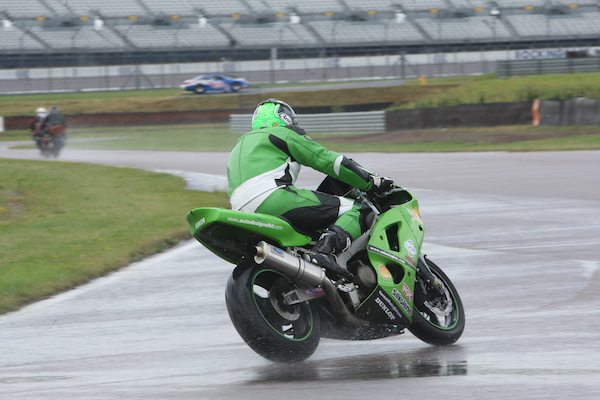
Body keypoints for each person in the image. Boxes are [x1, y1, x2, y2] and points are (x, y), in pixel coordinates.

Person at [227, 99, 393, 278]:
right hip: (272, 198)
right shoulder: (282, 133)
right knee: (359, 211)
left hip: (240, 210)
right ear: (284, 118)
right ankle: (325, 253)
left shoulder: (238, 145)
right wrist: (372, 181)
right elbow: (328, 161)